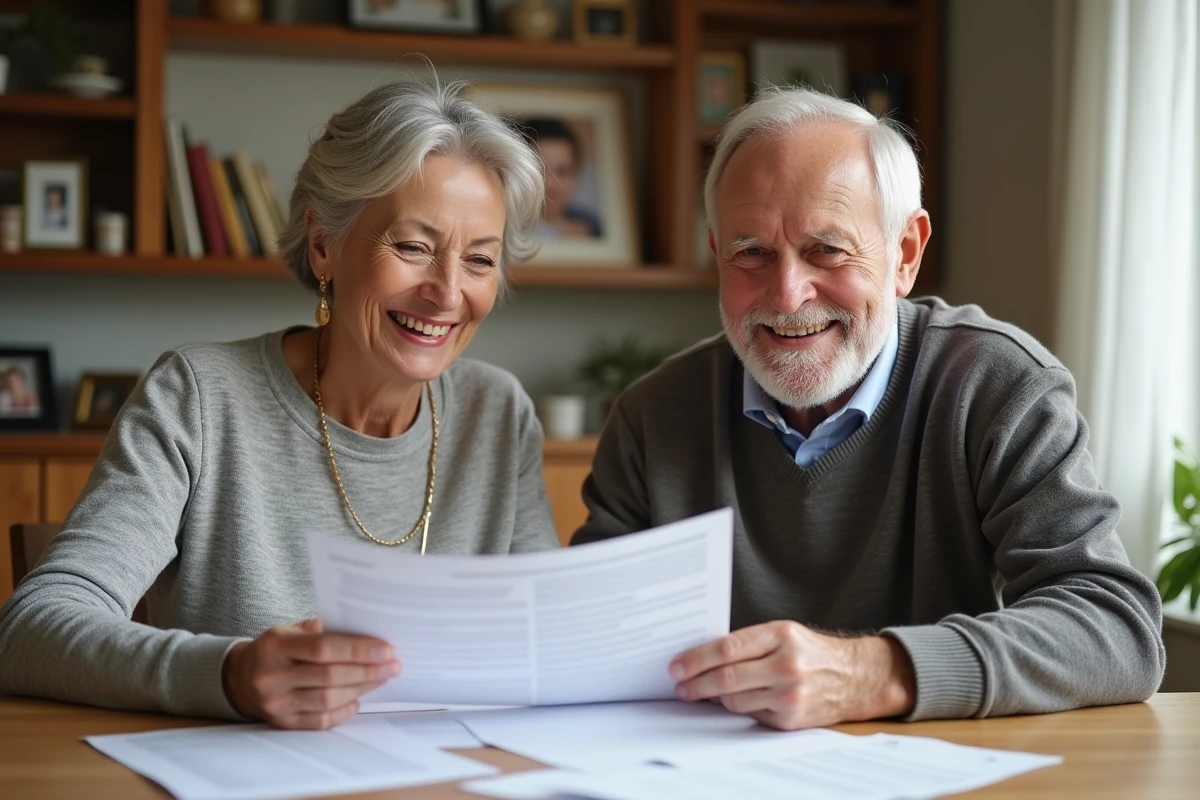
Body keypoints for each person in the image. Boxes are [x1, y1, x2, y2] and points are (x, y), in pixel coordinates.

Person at [572, 86, 1165, 730]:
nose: (789, 294)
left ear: (905, 253)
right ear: (718, 253)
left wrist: (873, 674)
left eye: (827, 250)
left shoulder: (997, 387)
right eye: (752, 253)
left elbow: (1117, 629)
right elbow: (588, 641)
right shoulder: (652, 416)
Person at [0, 80, 560, 729]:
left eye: (480, 260)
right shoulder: (201, 396)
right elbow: (32, 631)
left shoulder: (498, 413)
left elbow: (548, 632)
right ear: (323, 244)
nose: (446, 293)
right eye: (412, 247)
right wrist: (229, 675)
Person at [522, 117, 602, 240]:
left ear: (576, 175)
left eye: (563, 172)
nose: (551, 184)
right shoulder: (499, 225)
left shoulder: (593, 229)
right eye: (540, 171)